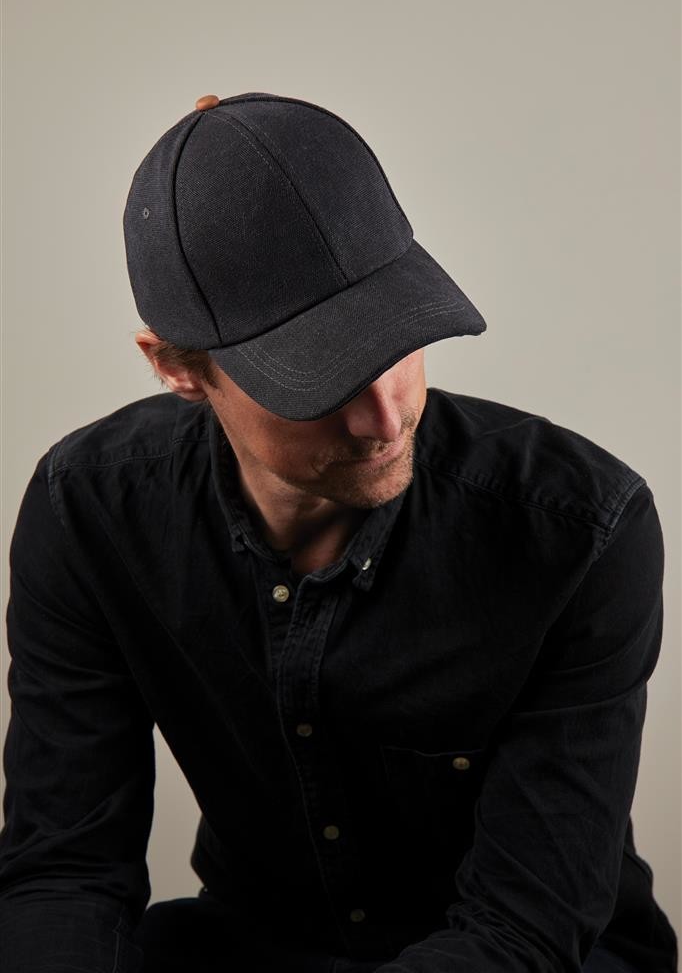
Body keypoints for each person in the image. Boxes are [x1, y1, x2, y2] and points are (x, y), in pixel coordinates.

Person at [0, 91, 677, 973]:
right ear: (178, 368)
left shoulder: (579, 530)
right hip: (261, 947)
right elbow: (66, 871)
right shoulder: (89, 511)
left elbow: (523, 929)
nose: (385, 419)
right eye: (320, 377)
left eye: (399, 342)